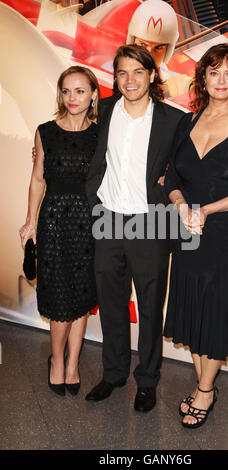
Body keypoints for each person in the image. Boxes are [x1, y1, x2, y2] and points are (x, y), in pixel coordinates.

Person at [163, 43, 228, 428]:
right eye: (214, 72)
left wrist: (204, 210)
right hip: (186, 226)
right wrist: (179, 204)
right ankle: (204, 381)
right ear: (203, 78)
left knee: (215, 302)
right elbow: (172, 177)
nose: (221, 81)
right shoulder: (187, 122)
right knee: (191, 301)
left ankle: (205, 390)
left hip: (224, 229)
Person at [85, 45, 183, 412]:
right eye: (123, 72)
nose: (130, 80)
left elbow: (186, 166)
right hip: (107, 217)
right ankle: (113, 374)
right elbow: (83, 140)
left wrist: (167, 182)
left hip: (150, 222)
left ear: (152, 76)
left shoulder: (173, 120)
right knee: (111, 303)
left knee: (150, 306)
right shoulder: (106, 110)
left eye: (138, 72)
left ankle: (147, 380)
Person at [19, 66, 99, 397]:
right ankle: (56, 360)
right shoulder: (45, 132)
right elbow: (38, 178)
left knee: (81, 296)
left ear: (93, 94)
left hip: (91, 223)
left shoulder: (101, 134)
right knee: (59, 297)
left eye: (80, 91)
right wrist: (30, 221)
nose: (73, 98)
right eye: (66, 91)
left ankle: (73, 364)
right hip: (54, 221)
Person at [126, 0, 192, 99]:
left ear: (168, 51)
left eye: (158, 48)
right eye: (143, 45)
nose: (149, 55)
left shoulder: (181, 84)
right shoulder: (108, 74)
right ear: (131, 42)